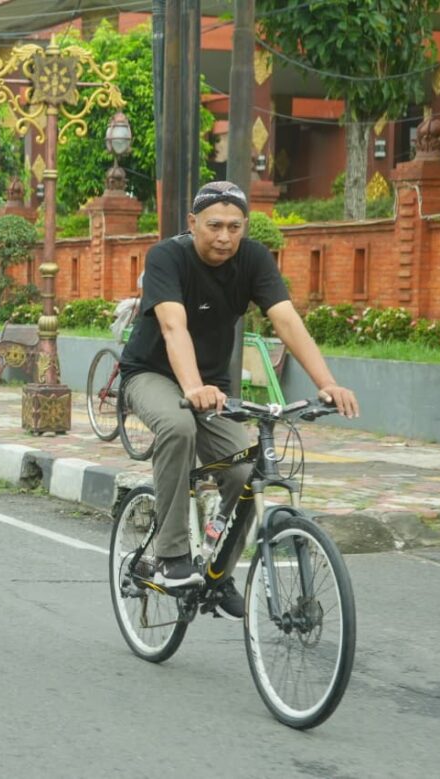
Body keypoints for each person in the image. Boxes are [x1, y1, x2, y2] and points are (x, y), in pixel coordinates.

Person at [119, 181, 359, 619]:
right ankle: (171, 555)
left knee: (248, 472)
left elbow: (286, 319)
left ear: (245, 227)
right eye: (213, 225)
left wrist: (328, 383)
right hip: (152, 374)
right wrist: (191, 387)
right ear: (192, 224)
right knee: (178, 427)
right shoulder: (166, 258)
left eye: (234, 226)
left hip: (210, 385)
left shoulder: (252, 259)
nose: (224, 237)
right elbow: (173, 327)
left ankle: (218, 571)